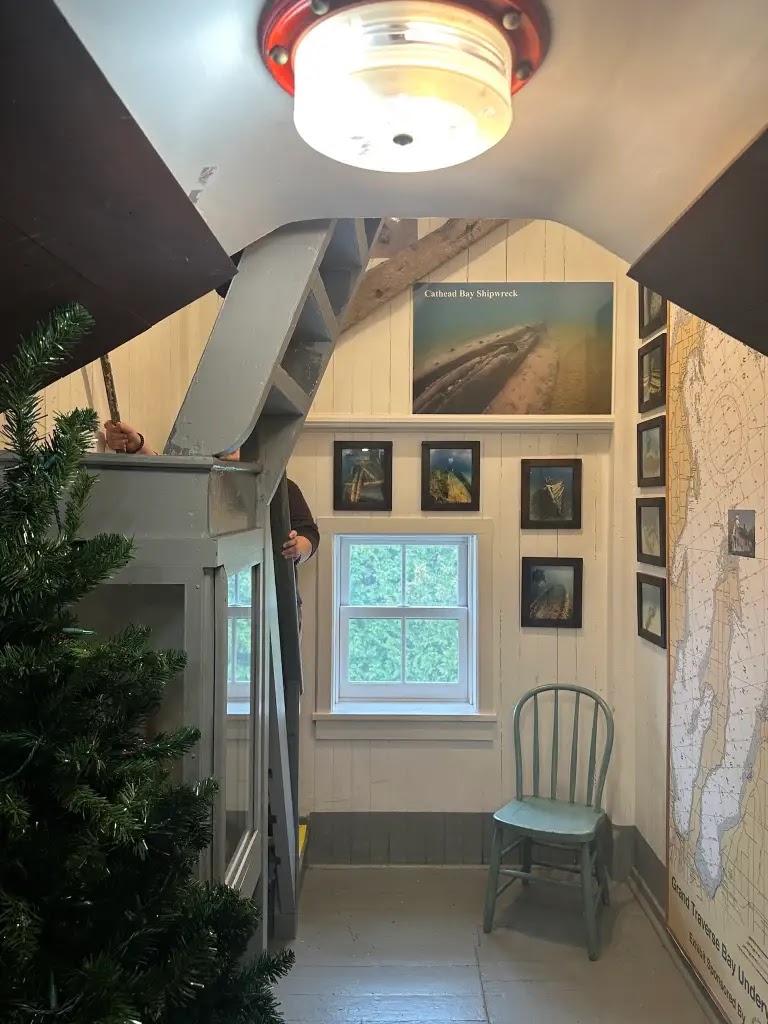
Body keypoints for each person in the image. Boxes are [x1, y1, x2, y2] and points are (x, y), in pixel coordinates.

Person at [102, 421, 318, 566]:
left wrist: (298, 547)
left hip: (271, 598)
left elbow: (309, 534)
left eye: (238, 443)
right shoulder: (206, 482)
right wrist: (137, 445)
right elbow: (172, 482)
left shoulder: (281, 487)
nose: (231, 450)